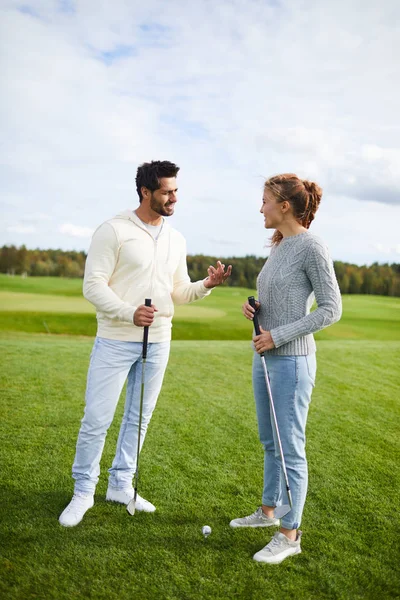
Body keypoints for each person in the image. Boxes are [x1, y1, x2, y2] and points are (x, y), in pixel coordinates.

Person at [59, 160, 231, 527]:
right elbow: (92, 285)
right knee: (97, 419)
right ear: (145, 192)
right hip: (115, 340)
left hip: (160, 342)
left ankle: (121, 484)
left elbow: (178, 292)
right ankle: (83, 491)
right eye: (167, 192)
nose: (174, 198)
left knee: (139, 418)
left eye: (176, 191)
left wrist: (206, 285)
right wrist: (127, 312)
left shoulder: (176, 238)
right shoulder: (113, 230)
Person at [230, 173, 341, 564]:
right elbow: (279, 298)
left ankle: (290, 534)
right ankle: (268, 512)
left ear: (284, 205)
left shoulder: (312, 246)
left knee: (290, 448)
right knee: (269, 441)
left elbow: (331, 309)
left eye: (264, 200)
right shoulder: (278, 246)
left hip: (292, 361)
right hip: (265, 358)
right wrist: (255, 309)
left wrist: (279, 336)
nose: (260, 207)